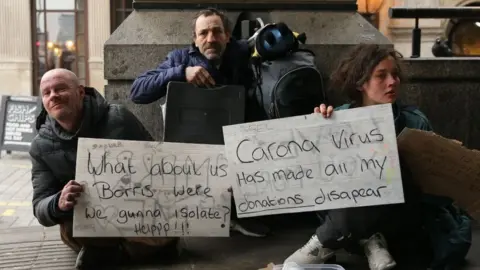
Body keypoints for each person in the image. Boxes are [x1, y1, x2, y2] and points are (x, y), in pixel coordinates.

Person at [284, 44, 432, 270]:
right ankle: (371, 239)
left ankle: (322, 242)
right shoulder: (339, 117)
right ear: (360, 83)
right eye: (381, 76)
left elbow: (429, 182)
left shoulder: (414, 121)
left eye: (395, 75)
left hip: (399, 215)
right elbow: (319, 176)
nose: (392, 82)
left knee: (385, 162)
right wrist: (319, 131)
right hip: (346, 213)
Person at [129, 8, 269, 237]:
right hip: (194, 150)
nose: (210, 39)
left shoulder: (243, 55)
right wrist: (181, 72)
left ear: (227, 36)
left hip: (240, 147)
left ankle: (236, 215)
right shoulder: (180, 58)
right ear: (194, 39)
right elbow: (137, 92)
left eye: (216, 32)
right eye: (203, 33)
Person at [30, 68, 180, 270]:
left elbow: (160, 164)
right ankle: (135, 249)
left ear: (80, 92)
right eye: (46, 93)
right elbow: (40, 206)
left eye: (60, 88)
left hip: (136, 207)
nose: (53, 96)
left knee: (170, 222)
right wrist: (58, 202)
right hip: (87, 221)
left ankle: (113, 252)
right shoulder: (41, 146)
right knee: (69, 229)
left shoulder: (118, 118)